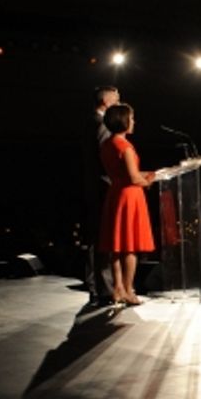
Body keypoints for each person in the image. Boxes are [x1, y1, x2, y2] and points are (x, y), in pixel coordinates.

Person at [99, 103, 156, 305]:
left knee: (116, 246)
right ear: (123, 121)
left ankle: (117, 289)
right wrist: (150, 179)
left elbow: (122, 174)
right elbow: (133, 178)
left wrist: (145, 176)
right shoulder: (125, 146)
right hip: (130, 197)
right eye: (131, 118)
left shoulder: (107, 144)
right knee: (130, 247)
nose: (134, 122)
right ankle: (129, 291)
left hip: (115, 194)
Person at [83, 85, 118, 305]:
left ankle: (95, 286)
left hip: (92, 185)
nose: (119, 102)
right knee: (103, 237)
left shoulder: (89, 120)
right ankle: (104, 289)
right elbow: (107, 157)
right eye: (117, 98)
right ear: (106, 101)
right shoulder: (101, 123)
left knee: (94, 238)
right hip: (103, 185)